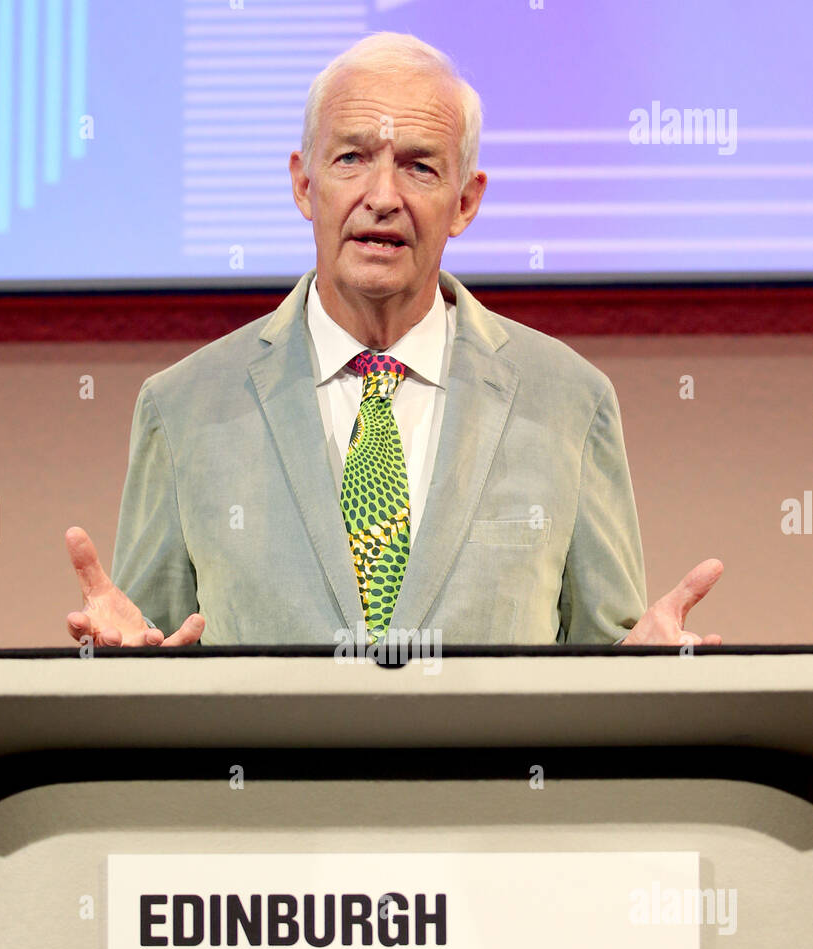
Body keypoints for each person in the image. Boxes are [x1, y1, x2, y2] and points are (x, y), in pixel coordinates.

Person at [66, 32, 722, 650]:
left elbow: (604, 666)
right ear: (303, 183)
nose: (381, 197)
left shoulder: (568, 401)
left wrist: (640, 672)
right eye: (350, 158)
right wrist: (120, 664)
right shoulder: (183, 407)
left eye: (418, 167)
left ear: (465, 201)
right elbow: (149, 655)